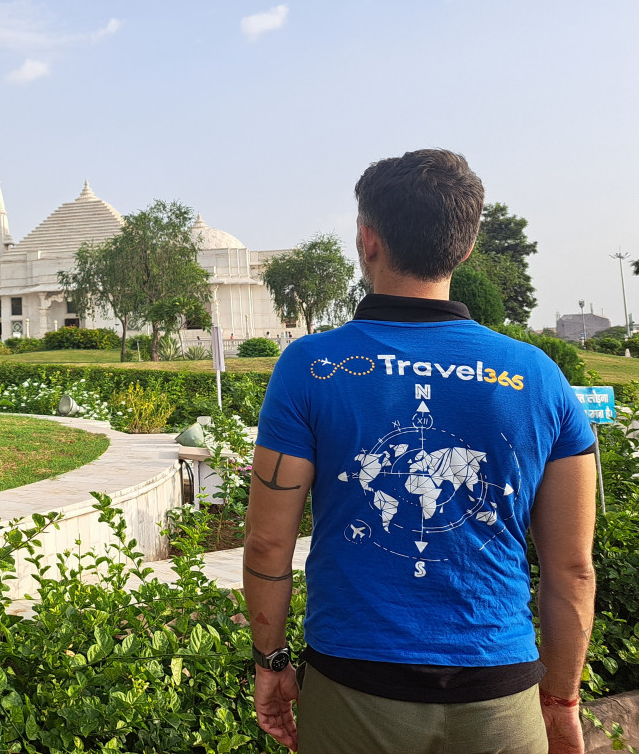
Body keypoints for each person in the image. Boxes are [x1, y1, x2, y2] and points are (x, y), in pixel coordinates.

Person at [244, 149, 596, 754]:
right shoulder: (539, 377)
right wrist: (562, 700)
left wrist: (271, 662)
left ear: (366, 239)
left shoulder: (310, 367)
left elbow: (268, 543)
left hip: (353, 690)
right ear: (465, 248)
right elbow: (572, 570)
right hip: (499, 694)